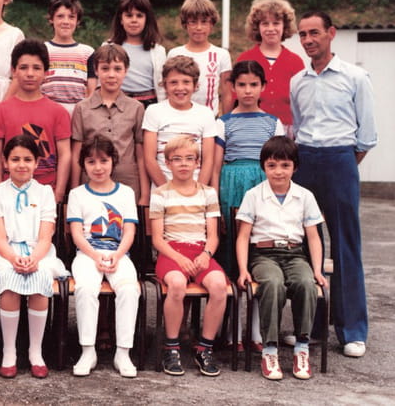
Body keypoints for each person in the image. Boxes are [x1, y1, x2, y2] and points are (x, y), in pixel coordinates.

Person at [290, 11, 377, 358]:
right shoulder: (298, 81)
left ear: (331, 33)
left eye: (314, 33)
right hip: (305, 161)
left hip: (341, 159)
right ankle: (308, 328)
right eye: (302, 34)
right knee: (304, 247)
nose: (308, 40)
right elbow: (298, 125)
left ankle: (352, 330)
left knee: (344, 246)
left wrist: (342, 164)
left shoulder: (355, 77)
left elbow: (366, 136)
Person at [235, 136, 326, 381]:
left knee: (306, 283)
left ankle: (302, 347)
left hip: (295, 254)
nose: (278, 171)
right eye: (272, 165)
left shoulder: (305, 196)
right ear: (263, 167)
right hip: (264, 255)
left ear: (295, 167)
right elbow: (243, 237)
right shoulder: (253, 195)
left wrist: (317, 270)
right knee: (273, 284)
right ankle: (270, 350)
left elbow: (313, 237)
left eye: (285, 165)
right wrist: (243, 269)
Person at [0, 135, 68, 379]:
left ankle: (35, 352)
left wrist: (35, 258)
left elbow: (46, 236)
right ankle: (9, 352)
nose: (21, 165)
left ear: (37, 163)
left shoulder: (45, 192)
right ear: (5, 162)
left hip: (39, 252)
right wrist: (13, 258)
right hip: (6, 252)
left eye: (28, 159)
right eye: (15, 159)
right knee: (10, 282)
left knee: (40, 280)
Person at [150, 135, 227, 377]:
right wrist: (179, 258)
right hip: (172, 251)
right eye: (177, 159)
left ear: (197, 163)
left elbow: (213, 236)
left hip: (200, 250)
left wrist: (206, 254)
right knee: (176, 283)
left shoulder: (208, 193)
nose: (183, 164)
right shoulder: (160, 194)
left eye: (189, 159)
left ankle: (204, 348)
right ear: (167, 163)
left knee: (219, 286)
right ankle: (171, 347)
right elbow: (157, 239)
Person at [67, 135, 140, 378]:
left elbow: (129, 231)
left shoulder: (126, 193)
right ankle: (88, 350)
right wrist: (94, 255)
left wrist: (118, 255)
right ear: (83, 164)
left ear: (113, 161)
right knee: (86, 288)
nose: (98, 167)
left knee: (129, 289)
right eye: (91, 162)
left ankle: (123, 352)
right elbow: (77, 234)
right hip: (87, 254)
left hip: (119, 254)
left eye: (103, 161)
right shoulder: (77, 194)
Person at [212, 61, 284, 278]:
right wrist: (215, 203)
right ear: (233, 86)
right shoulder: (224, 122)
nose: (248, 90)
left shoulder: (273, 122)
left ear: (263, 86)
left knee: (260, 233)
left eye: (254, 84)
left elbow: (279, 162)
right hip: (231, 184)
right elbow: (215, 168)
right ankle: (230, 288)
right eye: (242, 85)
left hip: (262, 182)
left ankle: (261, 281)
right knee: (232, 235)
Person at [0, 39, 71, 202]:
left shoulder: (59, 112)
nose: (30, 73)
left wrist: (59, 193)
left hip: (47, 191)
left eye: (37, 68)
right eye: (23, 67)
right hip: (9, 190)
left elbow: (65, 154)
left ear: (46, 72)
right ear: (13, 71)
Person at [71, 44, 147, 205]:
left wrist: (145, 194)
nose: (111, 75)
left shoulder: (136, 108)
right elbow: (76, 154)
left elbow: (141, 155)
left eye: (117, 69)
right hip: (91, 183)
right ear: (96, 70)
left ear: (126, 71)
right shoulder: (82, 108)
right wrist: (74, 191)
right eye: (105, 69)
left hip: (128, 182)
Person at [236, 0, 304, 136]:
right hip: (251, 128)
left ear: (285, 26)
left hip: (287, 132)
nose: (271, 28)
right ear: (257, 27)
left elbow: (302, 103)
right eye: (265, 23)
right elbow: (235, 98)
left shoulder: (296, 62)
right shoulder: (245, 59)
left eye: (276, 23)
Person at [143, 56, 216, 187]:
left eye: (186, 82)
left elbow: (208, 160)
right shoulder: (154, 111)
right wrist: (166, 191)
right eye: (173, 82)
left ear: (195, 85)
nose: (180, 88)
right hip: (162, 190)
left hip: (196, 190)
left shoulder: (206, 114)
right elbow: (149, 158)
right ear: (165, 85)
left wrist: (198, 191)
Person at [95, 0, 166, 107]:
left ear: (147, 19)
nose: (134, 20)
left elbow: (163, 85)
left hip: (149, 104)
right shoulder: (108, 46)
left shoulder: (158, 51)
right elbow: (100, 80)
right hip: (116, 103)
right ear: (121, 19)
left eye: (139, 16)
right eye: (129, 15)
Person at [167, 0, 232, 116]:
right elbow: (168, 90)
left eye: (204, 22)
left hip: (210, 119)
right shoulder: (174, 54)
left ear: (212, 24)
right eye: (193, 22)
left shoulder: (221, 55)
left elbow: (227, 93)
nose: (198, 27)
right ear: (185, 24)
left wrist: (227, 121)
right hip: (180, 118)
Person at [41, 0, 94, 115]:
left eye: (71, 17)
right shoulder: (42, 49)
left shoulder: (88, 53)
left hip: (78, 114)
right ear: (51, 19)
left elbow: (92, 92)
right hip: (47, 112)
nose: (66, 21)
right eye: (60, 16)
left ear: (78, 21)